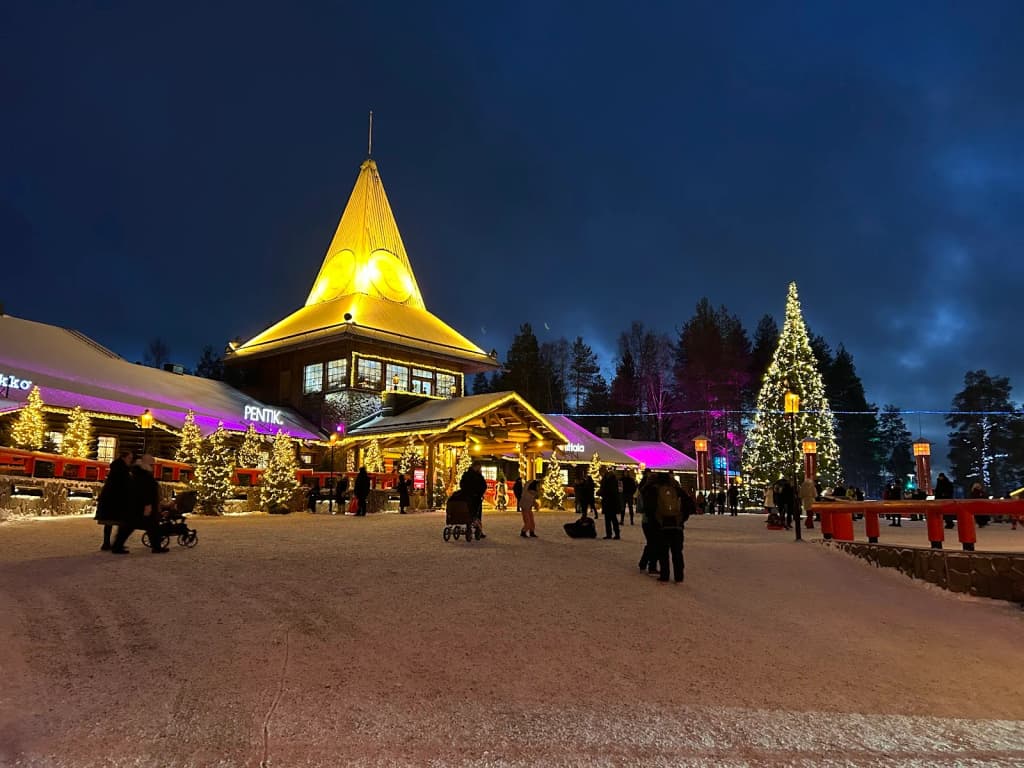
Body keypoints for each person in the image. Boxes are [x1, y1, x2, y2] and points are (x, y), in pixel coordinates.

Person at [112, 454, 166, 554]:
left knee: (128, 526)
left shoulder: (138, 473)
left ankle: (117, 546)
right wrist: (148, 504)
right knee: (152, 526)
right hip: (141, 506)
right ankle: (156, 547)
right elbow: (146, 491)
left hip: (135, 506)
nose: (154, 466)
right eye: (152, 464)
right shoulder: (145, 475)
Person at [643, 473, 692, 583]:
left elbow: (649, 509)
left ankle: (665, 575)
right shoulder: (678, 490)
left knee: (663, 551)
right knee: (677, 552)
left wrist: (655, 522)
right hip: (677, 526)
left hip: (661, 526)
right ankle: (679, 576)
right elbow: (689, 505)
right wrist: (682, 519)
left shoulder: (654, 490)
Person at [95, 449, 135, 551]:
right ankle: (117, 543)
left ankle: (107, 543)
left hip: (109, 497)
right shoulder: (122, 469)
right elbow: (125, 484)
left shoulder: (116, 467)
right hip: (117, 499)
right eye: (129, 458)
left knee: (109, 521)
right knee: (121, 521)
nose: (130, 460)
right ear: (124, 457)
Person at [460, 460, 488, 538]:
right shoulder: (478, 476)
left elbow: (462, 484)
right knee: (476, 514)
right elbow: (483, 486)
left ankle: (469, 526)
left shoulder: (466, 475)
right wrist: (479, 493)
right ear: (477, 467)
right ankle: (479, 529)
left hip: (467, 497)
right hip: (476, 498)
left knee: (468, 512)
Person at [599, 468, 621, 540]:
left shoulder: (608, 482)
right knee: (612, 519)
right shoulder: (614, 481)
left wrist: (601, 493)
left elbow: (605, 491)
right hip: (611, 502)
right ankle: (614, 534)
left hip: (609, 502)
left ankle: (611, 534)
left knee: (609, 519)